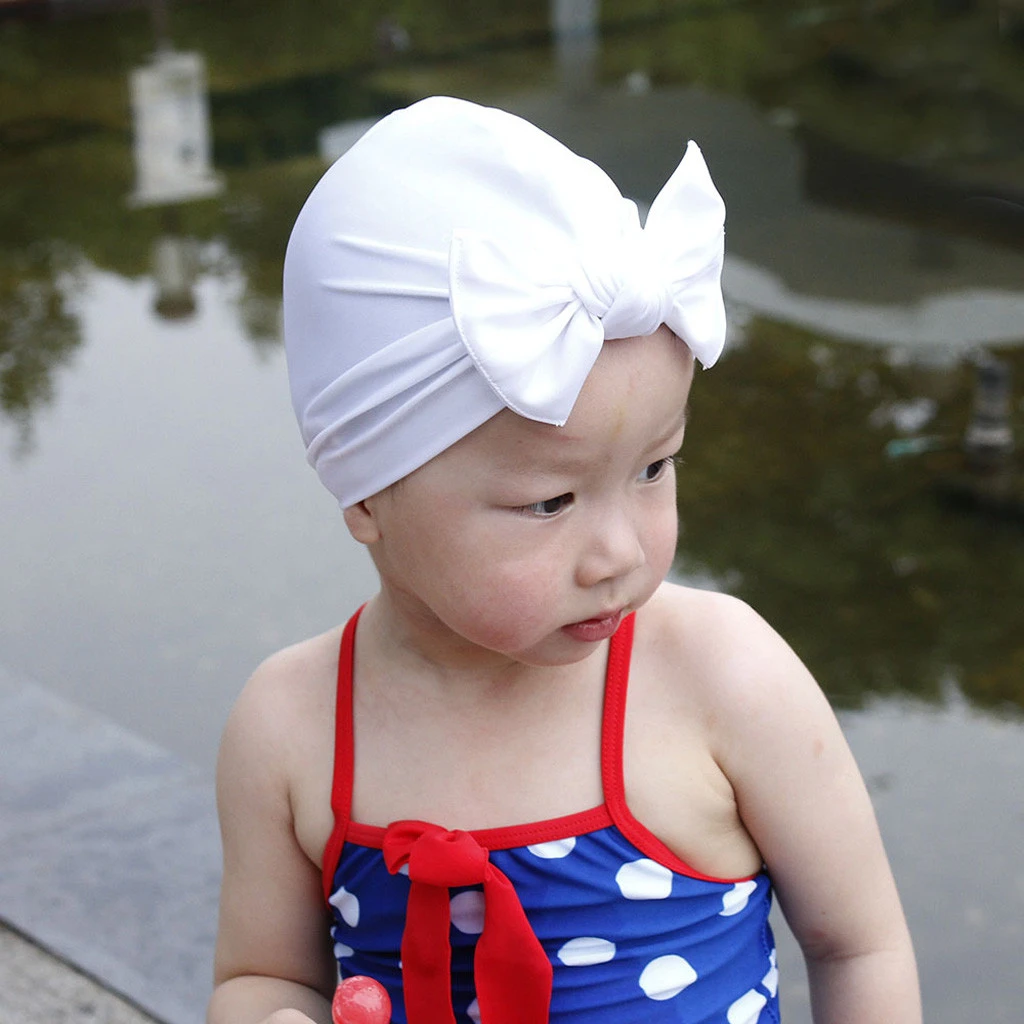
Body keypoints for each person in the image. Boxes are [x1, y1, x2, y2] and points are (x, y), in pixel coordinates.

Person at [207, 97, 920, 1024]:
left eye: (655, 467)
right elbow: (261, 976)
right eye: (549, 501)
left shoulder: (719, 674)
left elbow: (858, 943)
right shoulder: (293, 727)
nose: (620, 552)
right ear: (367, 496)